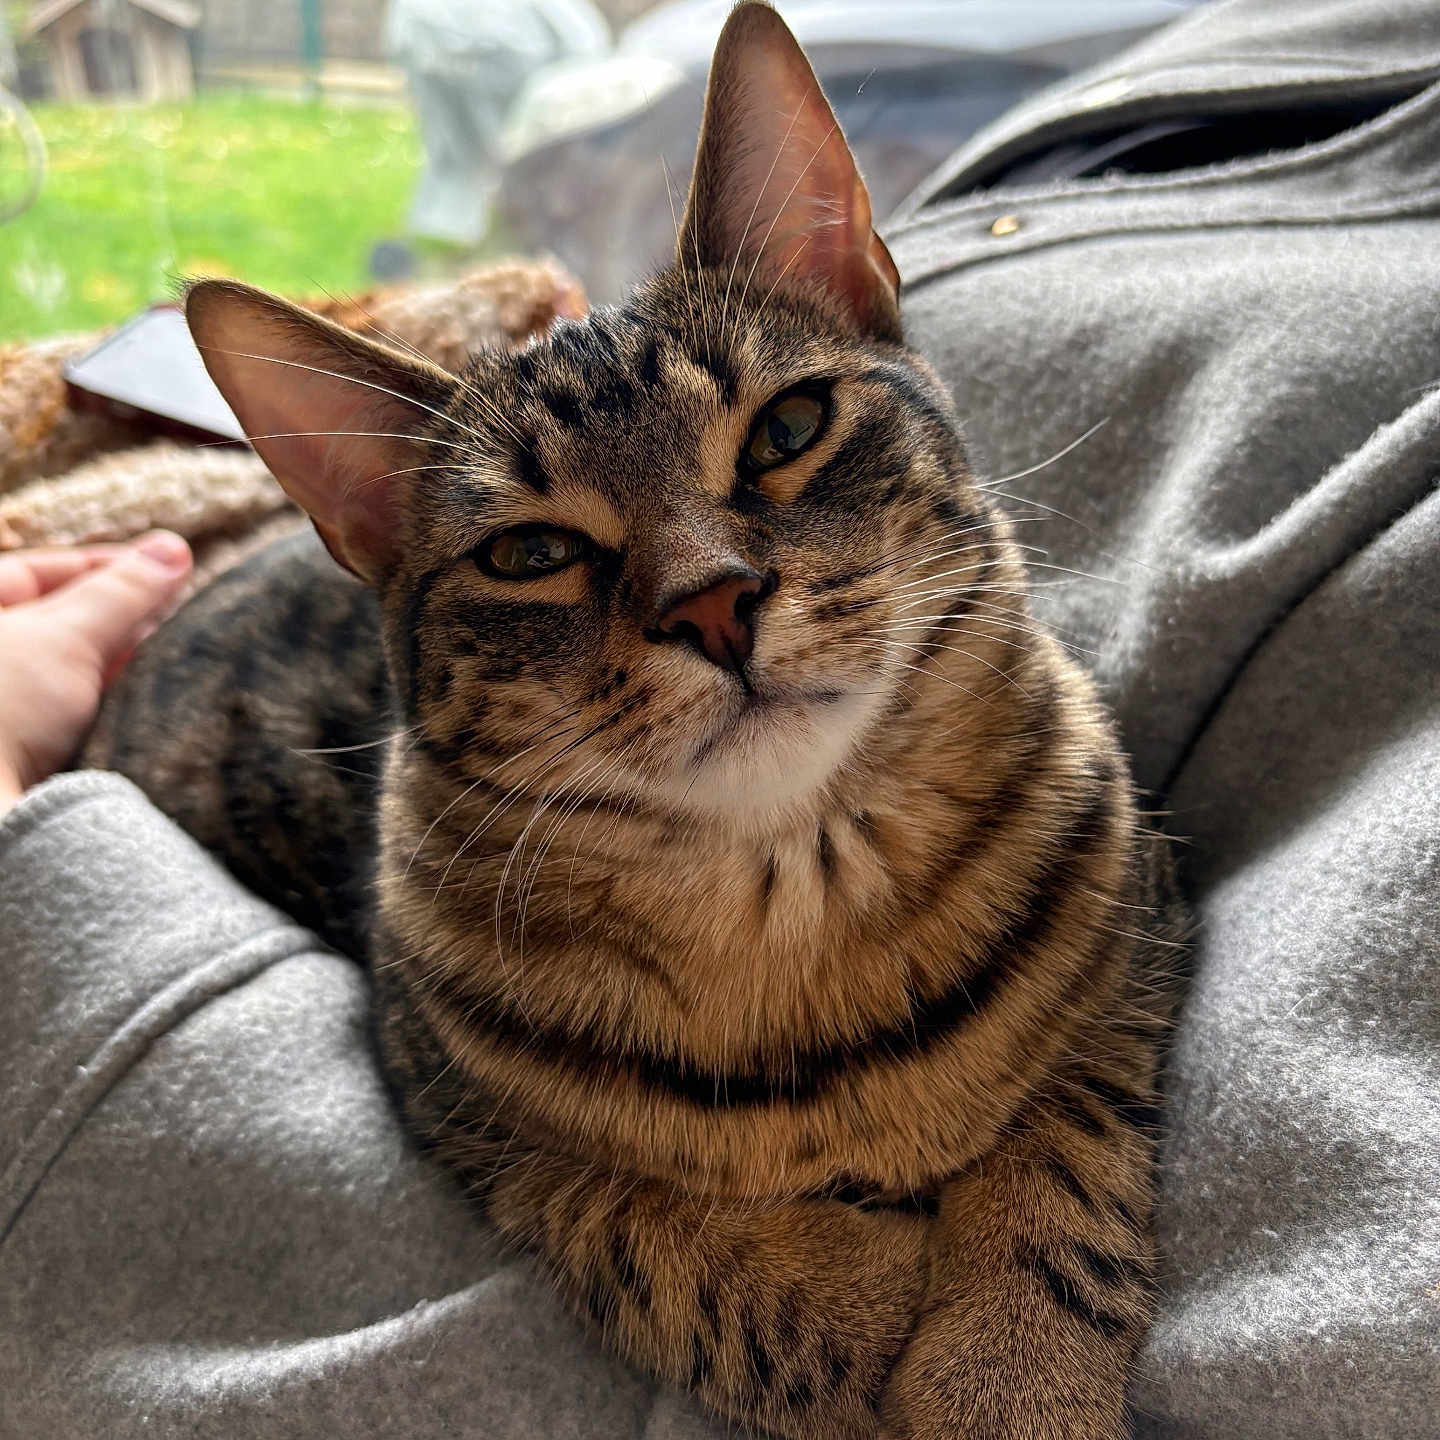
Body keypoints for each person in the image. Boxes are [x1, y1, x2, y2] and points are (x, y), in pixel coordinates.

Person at [2, 0, 1437, 1436]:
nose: (706, 592)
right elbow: (491, 1142)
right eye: (534, 549)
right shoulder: (473, 959)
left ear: (856, 292)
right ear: (368, 517)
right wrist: (731, 1306)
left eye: (787, 435)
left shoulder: (1073, 809)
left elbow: (1120, 984)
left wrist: (1052, 1248)